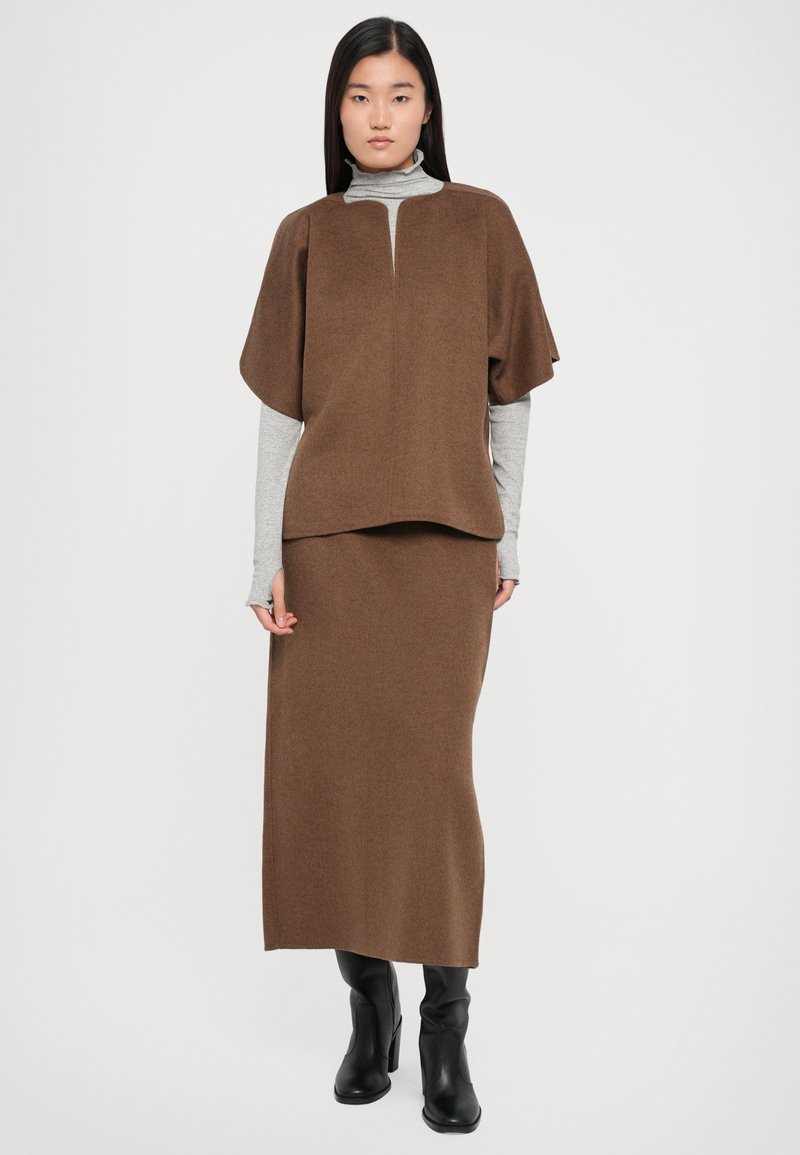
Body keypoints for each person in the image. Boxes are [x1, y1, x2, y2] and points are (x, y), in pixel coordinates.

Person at [238, 17, 560, 1135]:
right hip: (326, 550)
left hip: (445, 548)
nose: (379, 115)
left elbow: (509, 396)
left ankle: (443, 1027)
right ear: (336, 111)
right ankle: (367, 1009)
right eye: (359, 95)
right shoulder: (304, 236)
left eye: (400, 93)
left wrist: (506, 531)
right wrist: (265, 556)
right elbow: (281, 415)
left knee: (429, 786)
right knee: (333, 782)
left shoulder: (481, 223)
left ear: (429, 107)